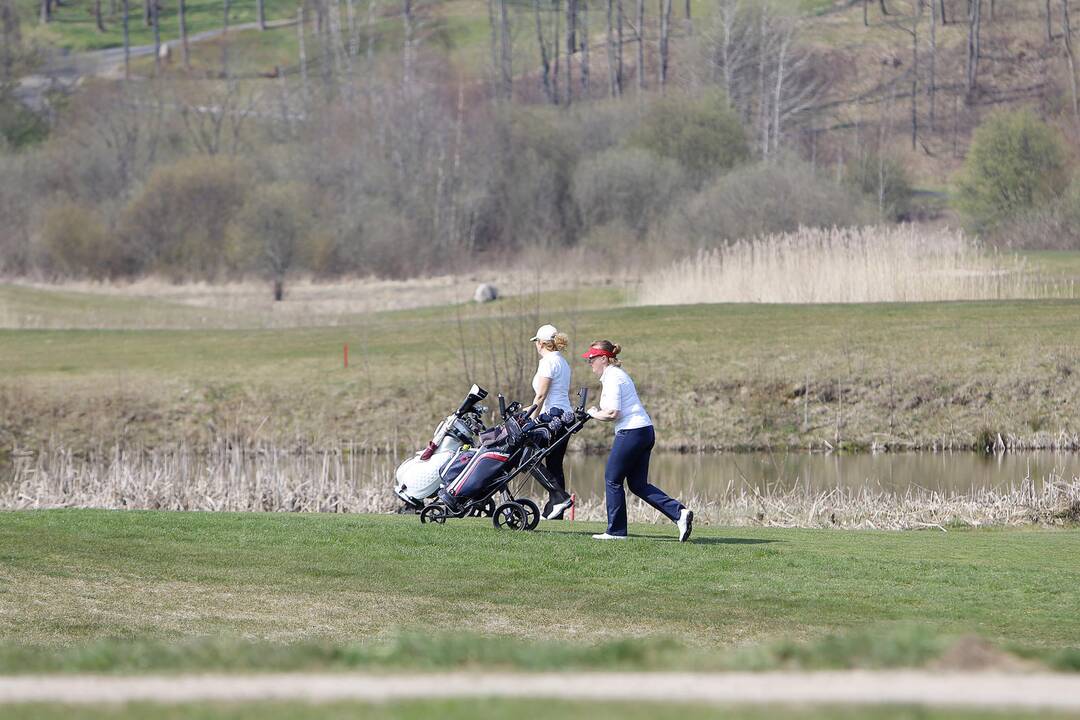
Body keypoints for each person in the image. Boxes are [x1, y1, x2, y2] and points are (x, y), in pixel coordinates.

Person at [583, 340, 693, 542]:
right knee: (638, 484)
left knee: (612, 478)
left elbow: (613, 413)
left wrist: (592, 414)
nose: (590, 362)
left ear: (604, 359)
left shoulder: (613, 377)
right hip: (643, 431)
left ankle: (615, 531)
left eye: (592, 358)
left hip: (632, 432)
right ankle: (679, 514)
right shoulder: (616, 375)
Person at [529, 324, 575, 520]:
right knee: (555, 464)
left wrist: (530, 420)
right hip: (565, 417)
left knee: (528, 457)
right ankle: (557, 512)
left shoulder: (547, 362)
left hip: (553, 418)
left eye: (536, 343)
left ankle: (559, 497)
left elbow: (541, 396)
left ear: (541, 343)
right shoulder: (562, 362)